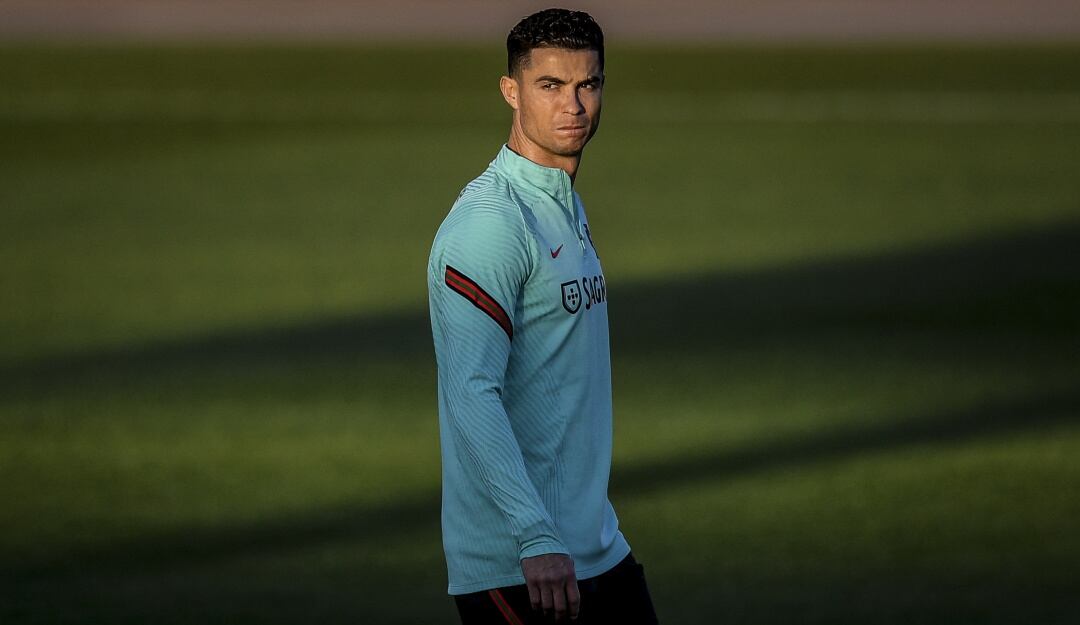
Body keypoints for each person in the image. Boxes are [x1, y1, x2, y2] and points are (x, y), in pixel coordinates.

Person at [427, 8, 659, 624]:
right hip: (524, 565)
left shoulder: (561, 203)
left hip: (595, 546)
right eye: (550, 85)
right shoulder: (490, 226)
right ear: (511, 90)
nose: (573, 106)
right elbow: (470, 390)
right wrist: (534, 535)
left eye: (588, 84)